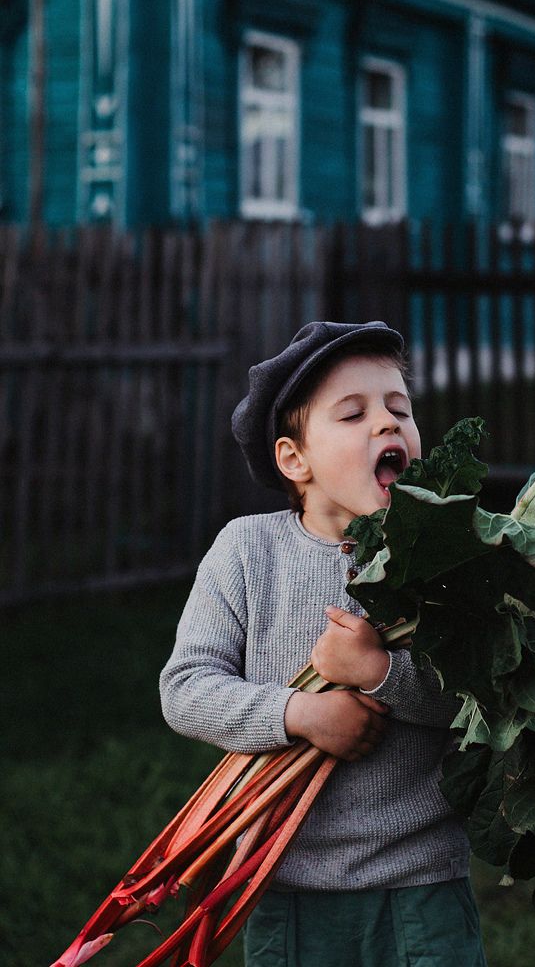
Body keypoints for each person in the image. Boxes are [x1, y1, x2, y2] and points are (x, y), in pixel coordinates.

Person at [159, 320, 487, 967]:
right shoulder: (248, 553)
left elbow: (481, 696)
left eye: (400, 409)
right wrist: (299, 714)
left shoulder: (444, 556)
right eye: (353, 413)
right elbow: (186, 689)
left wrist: (378, 671)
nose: (387, 425)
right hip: (283, 886)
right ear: (294, 459)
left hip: (421, 887)